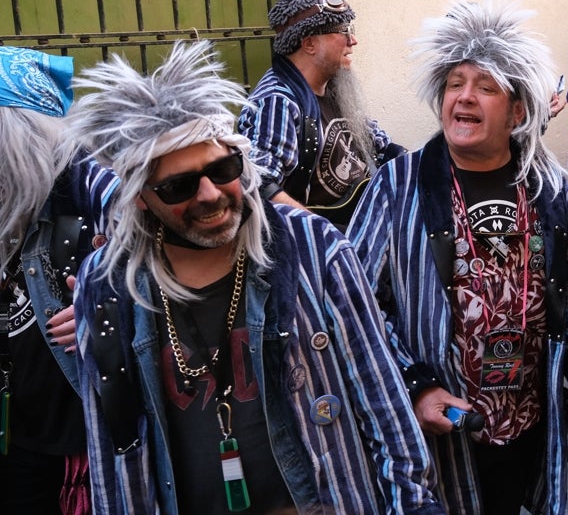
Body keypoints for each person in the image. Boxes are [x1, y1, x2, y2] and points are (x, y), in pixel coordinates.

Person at [69, 40, 443, 515]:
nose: (209, 194)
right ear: (142, 197)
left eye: (222, 168)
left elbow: (383, 400)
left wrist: (413, 505)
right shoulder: (107, 286)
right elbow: (110, 449)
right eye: (179, 185)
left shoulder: (312, 248)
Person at [347, 0, 568, 514]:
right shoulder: (399, 187)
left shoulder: (548, 183)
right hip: (442, 432)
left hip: (529, 419)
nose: (464, 97)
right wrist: (414, 383)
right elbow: (353, 302)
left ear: (518, 111)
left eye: (486, 87)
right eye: (454, 84)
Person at [0, 47, 118, 514]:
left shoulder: (88, 199)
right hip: (17, 429)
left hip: (79, 432)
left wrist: (107, 309)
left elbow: (166, 287)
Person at [239, 0, 405, 226]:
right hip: (320, 243)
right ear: (309, 44)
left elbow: (380, 146)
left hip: (367, 225)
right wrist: (323, 235)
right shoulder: (277, 101)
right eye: (344, 31)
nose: (354, 40)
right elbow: (260, 186)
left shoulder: (337, 87)